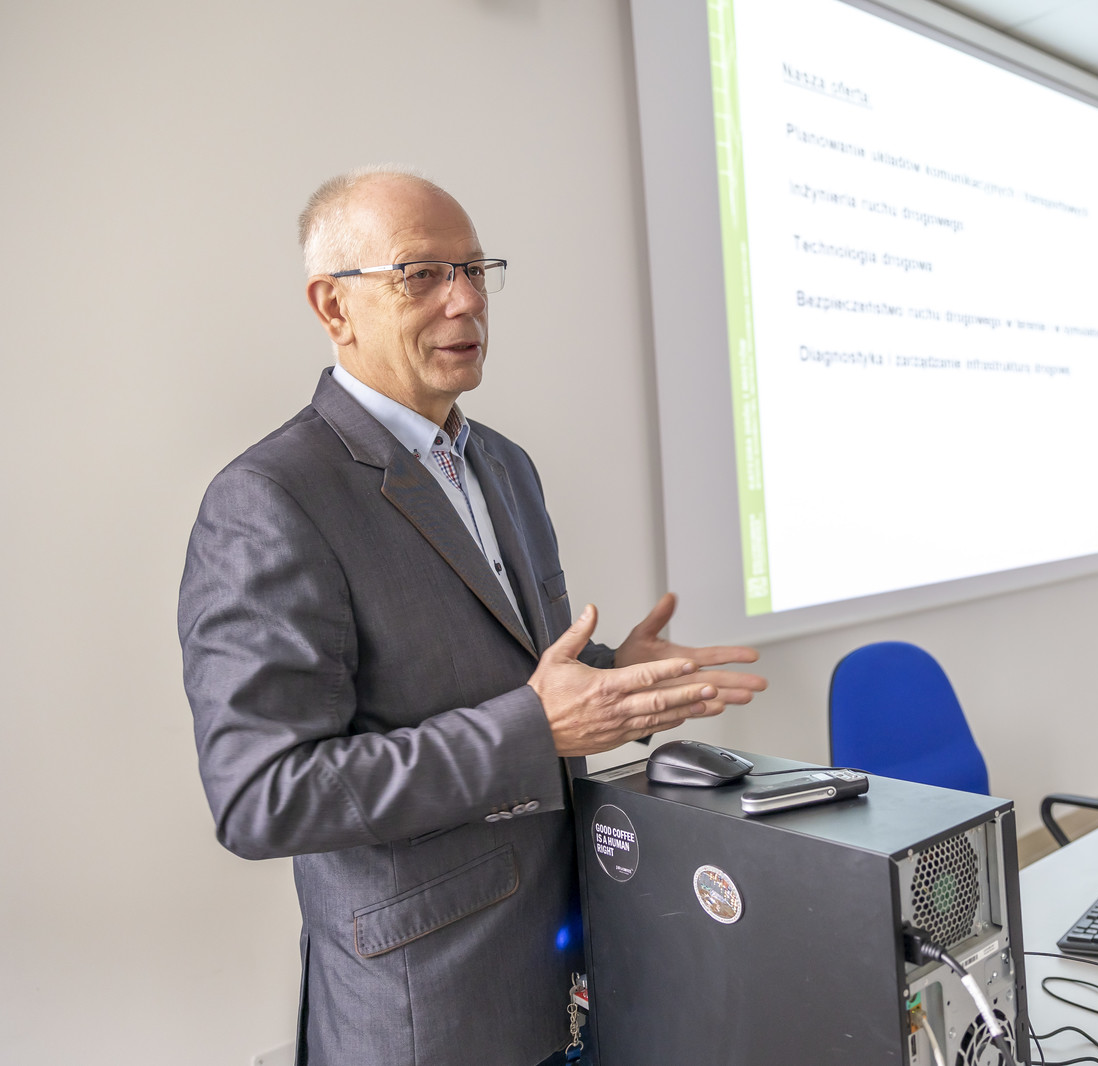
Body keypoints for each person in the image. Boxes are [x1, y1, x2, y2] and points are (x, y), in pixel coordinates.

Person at [178, 169, 765, 1066]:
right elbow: (263, 795)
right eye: (422, 275)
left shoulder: (503, 463)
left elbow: (508, 674)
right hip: (429, 1009)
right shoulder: (270, 499)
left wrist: (617, 675)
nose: (465, 301)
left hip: (567, 964)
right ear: (334, 307)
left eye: (475, 270)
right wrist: (535, 728)